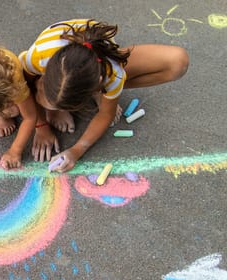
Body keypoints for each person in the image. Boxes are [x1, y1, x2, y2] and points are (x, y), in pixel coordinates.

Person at [19, 19, 189, 171]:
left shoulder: (113, 74)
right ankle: (58, 102)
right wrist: (41, 126)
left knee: (177, 63)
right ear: (45, 72)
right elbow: (23, 85)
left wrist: (76, 150)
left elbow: (105, 115)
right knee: (18, 97)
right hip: (63, 61)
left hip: (100, 63)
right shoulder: (39, 56)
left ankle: (104, 95)